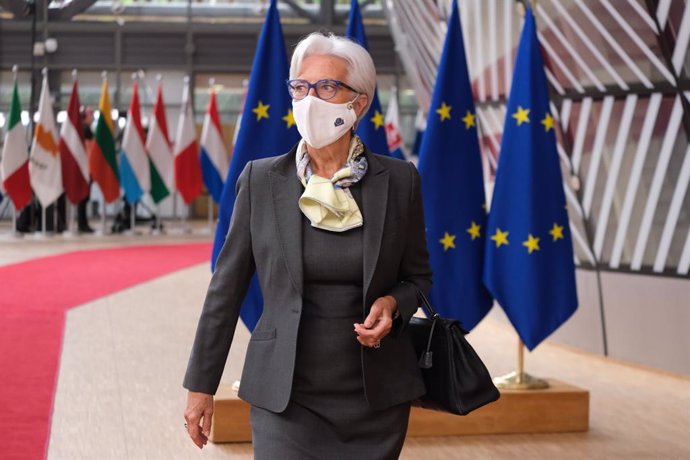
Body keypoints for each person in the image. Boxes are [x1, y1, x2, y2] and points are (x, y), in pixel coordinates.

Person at [183, 32, 431, 459]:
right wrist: (200, 386)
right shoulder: (260, 180)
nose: (309, 99)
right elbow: (225, 289)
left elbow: (419, 276)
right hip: (285, 395)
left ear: (359, 102)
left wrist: (394, 303)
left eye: (327, 87)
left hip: (374, 399)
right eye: (300, 87)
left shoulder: (400, 180)